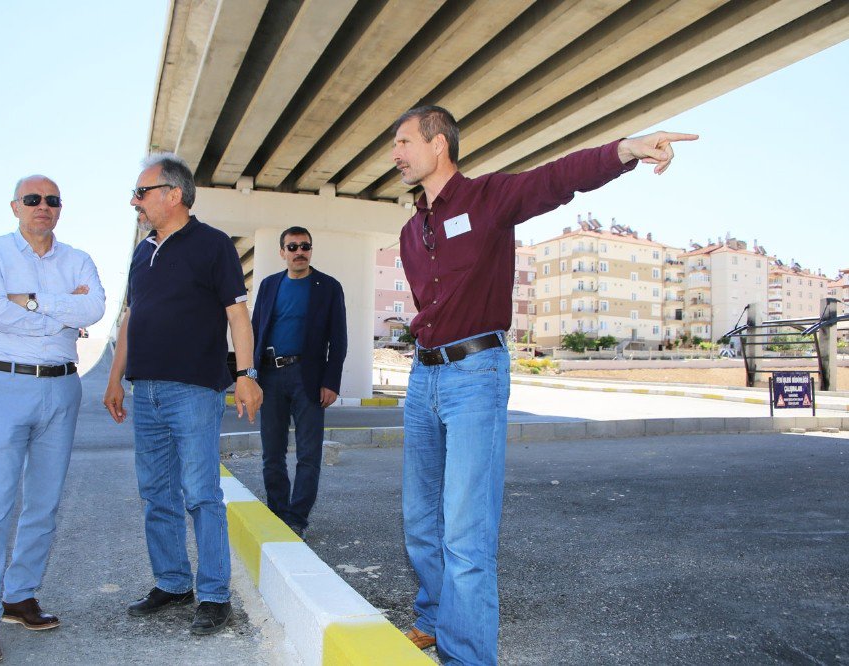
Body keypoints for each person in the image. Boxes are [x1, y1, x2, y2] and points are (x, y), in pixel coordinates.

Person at [392, 105, 697, 664]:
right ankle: (433, 618)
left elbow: (559, 179)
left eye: (405, 141)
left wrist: (627, 149)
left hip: (474, 376)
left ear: (439, 145)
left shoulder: (489, 199)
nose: (396, 153)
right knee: (419, 522)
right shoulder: (415, 229)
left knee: (465, 531)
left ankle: (467, 656)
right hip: (422, 378)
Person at [103, 152, 263, 636]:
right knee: (156, 493)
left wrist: (246, 373)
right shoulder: (141, 250)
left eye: (142, 192)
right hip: (145, 389)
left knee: (200, 493)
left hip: (193, 392)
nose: (135, 201)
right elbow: (132, 317)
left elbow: (237, 314)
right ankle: (173, 582)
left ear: (174, 193)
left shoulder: (213, 245)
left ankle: (214, 594)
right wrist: (115, 378)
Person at [0, 175, 106, 663]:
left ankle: (19, 596)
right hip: (6, 383)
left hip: (63, 386)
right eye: (33, 200)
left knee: (44, 503)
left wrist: (33, 301)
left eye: (52, 200)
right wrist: (62, 316)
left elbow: (96, 308)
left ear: (60, 209)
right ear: (15, 206)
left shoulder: (77, 258)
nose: (42, 207)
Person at [251, 227, 347, 538]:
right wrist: (250, 378)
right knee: (272, 452)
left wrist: (331, 381)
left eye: (305, 246)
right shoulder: (267, 286)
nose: (299, 251)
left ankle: (297, 518)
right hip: (270, 376)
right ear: (282, 252)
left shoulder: (328, 287)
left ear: (311, 249)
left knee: (309, 453)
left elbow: (339, 339)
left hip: (309, 377)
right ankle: (277, 512)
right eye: (292, 246)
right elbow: (254, 333)